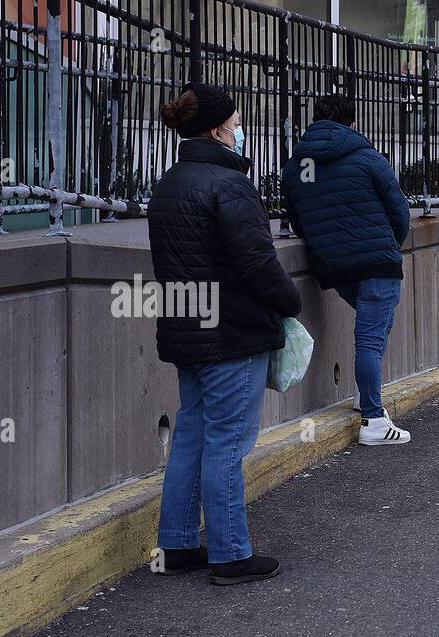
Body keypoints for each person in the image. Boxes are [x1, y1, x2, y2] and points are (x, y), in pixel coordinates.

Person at [148, 82, 302, 585]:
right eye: (235, 125)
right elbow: (257, 261)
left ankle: (177, 545)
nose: (239, 133)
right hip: (232, 334)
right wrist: (289, 301)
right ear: (216, 129)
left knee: (192, 433)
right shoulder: (229, 184)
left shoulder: (168, 182)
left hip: (187, 331)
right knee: (228, 442)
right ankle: (232, 554)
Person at [281, 93, 412, 447]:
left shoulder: (295, 167)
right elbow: (399, 212)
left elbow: (297, 219)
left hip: (335, 268)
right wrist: (388, 246)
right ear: (351, 123)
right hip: (378, 262)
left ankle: (364, 394)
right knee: (371, 336)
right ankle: (372, 417)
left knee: (375, 327)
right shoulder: (367, 158)